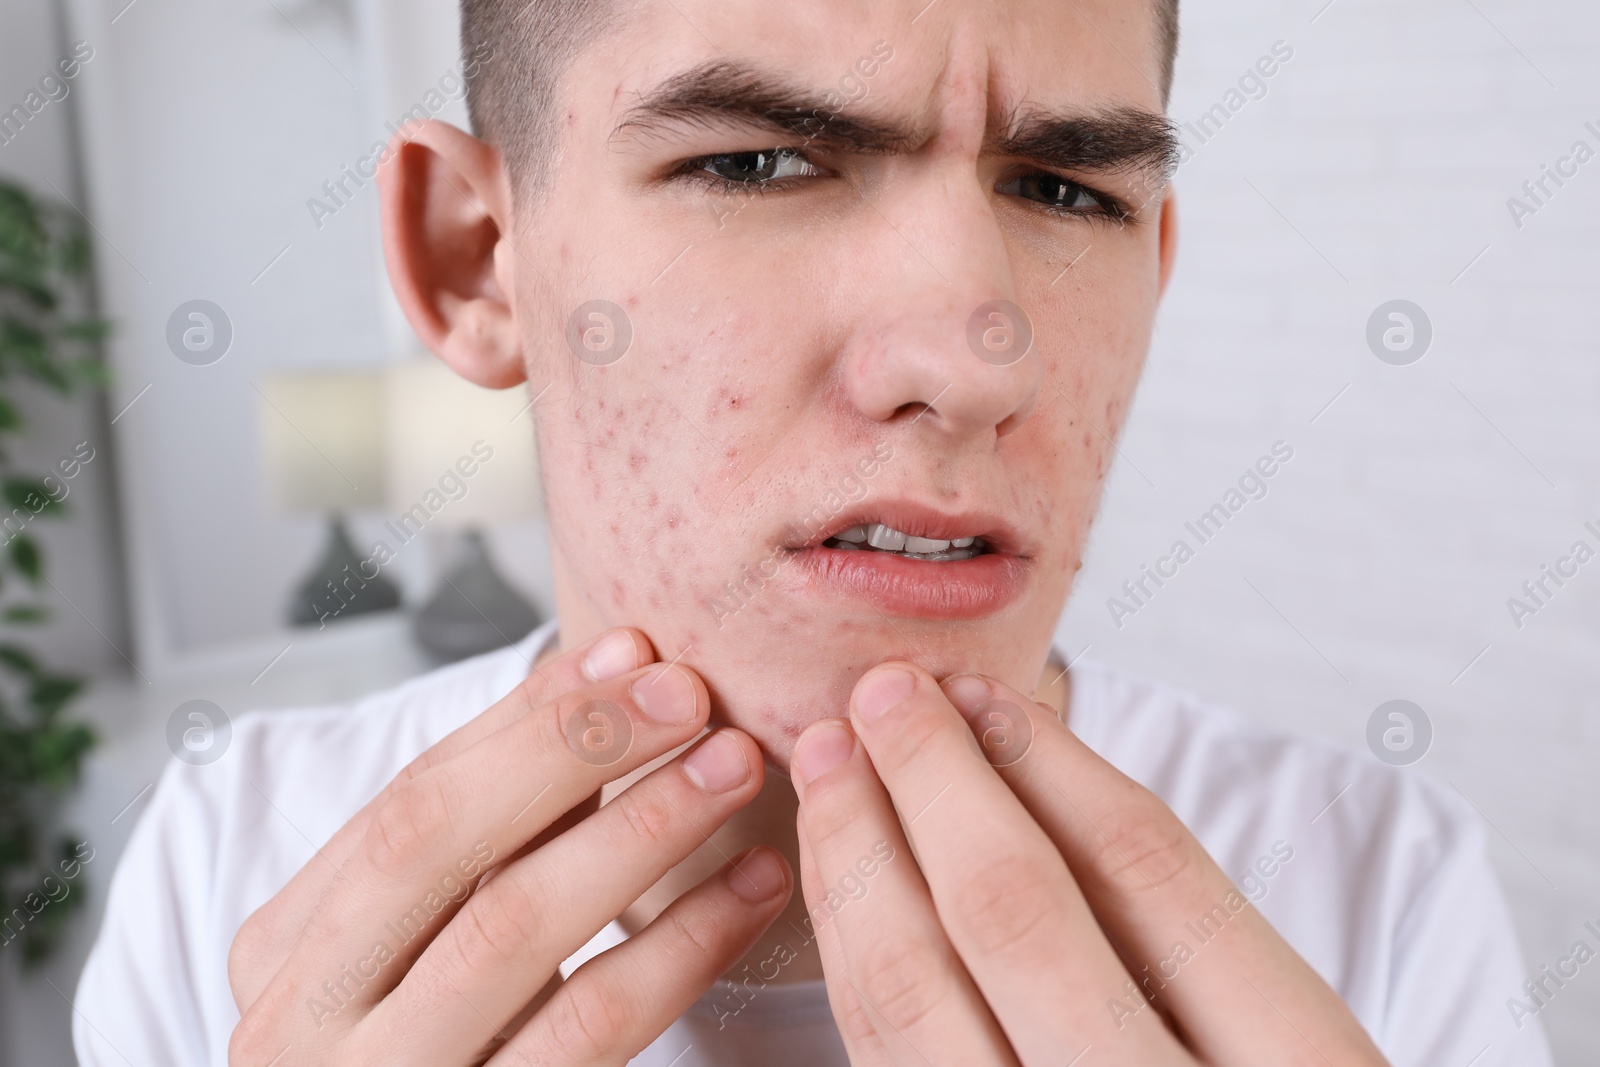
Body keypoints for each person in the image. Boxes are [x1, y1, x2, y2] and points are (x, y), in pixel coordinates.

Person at [74, 0, 1553, 1063]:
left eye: (1064, 187)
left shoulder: (1379, 891)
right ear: (476, 257)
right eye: (758, 163)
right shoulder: (227, 870)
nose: (978, 358)